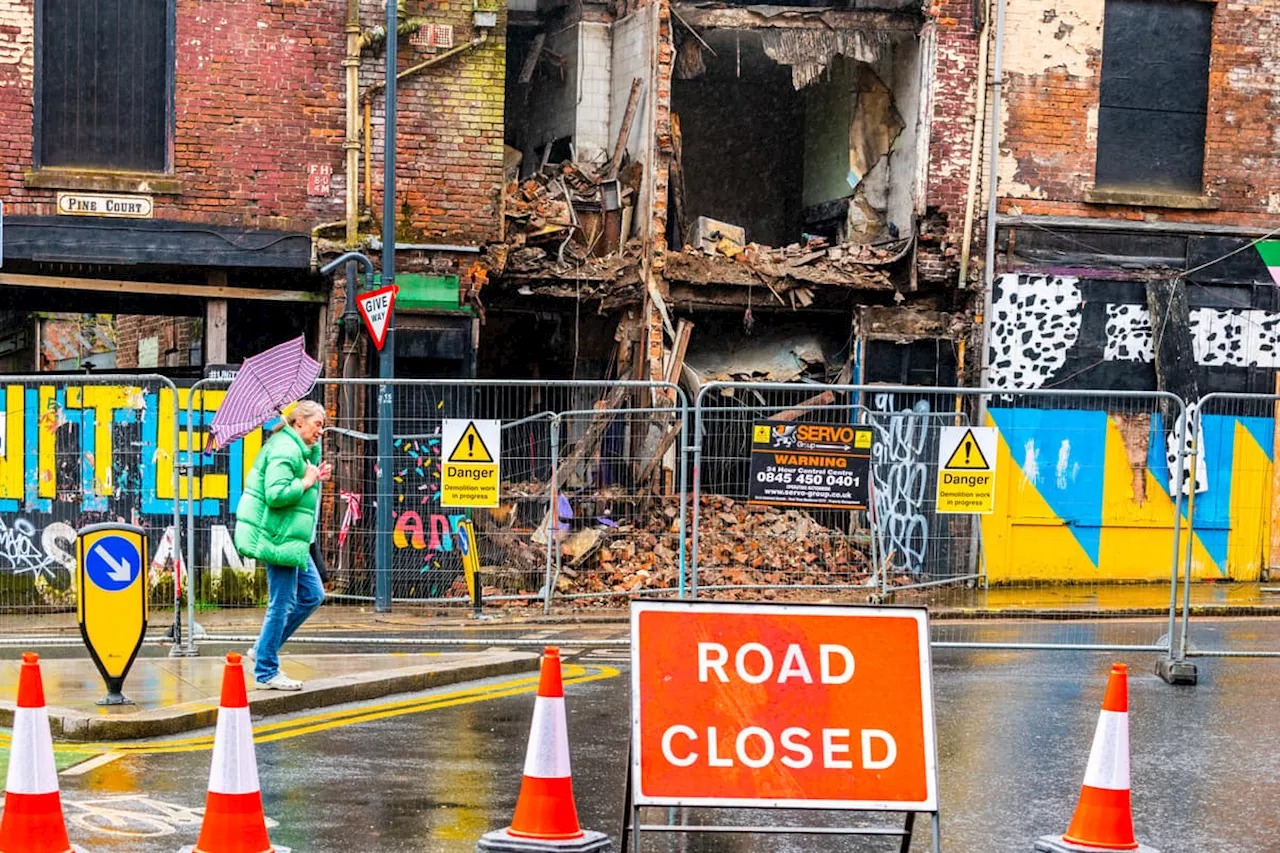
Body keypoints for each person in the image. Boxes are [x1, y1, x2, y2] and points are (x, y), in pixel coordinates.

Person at [234, 400, 331, 690]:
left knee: (313, 594)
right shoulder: (285, 449)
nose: (321, 431)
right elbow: (276, 494)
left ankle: (262, 649)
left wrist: (313, 472)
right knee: (283, 602)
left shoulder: (297, 450)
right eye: (317, 424)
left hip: (292, 540)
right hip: (278, 538)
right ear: (298, 422)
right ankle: (265, 671)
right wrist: (306, 481)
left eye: (322, 426)